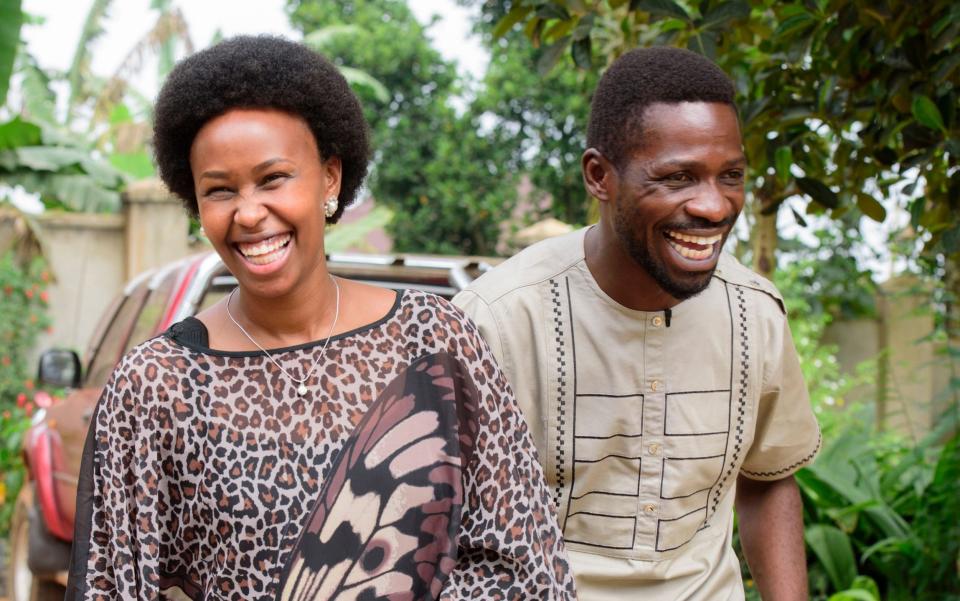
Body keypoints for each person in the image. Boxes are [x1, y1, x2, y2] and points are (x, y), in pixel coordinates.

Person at [65, 35, 575, 601]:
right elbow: (111, 583)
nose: (250, 212)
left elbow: (522, 559)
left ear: (330, 177)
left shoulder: (434, 340)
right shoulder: (157, 386)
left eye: (273, 178)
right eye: (220, 190)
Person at [454, 46, 820, 600]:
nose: (714, 206)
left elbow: (767, 482)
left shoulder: (755, 314)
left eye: (731, 176)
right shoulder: (496, 323)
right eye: (678, 177)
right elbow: (433, 519)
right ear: (600, 175)